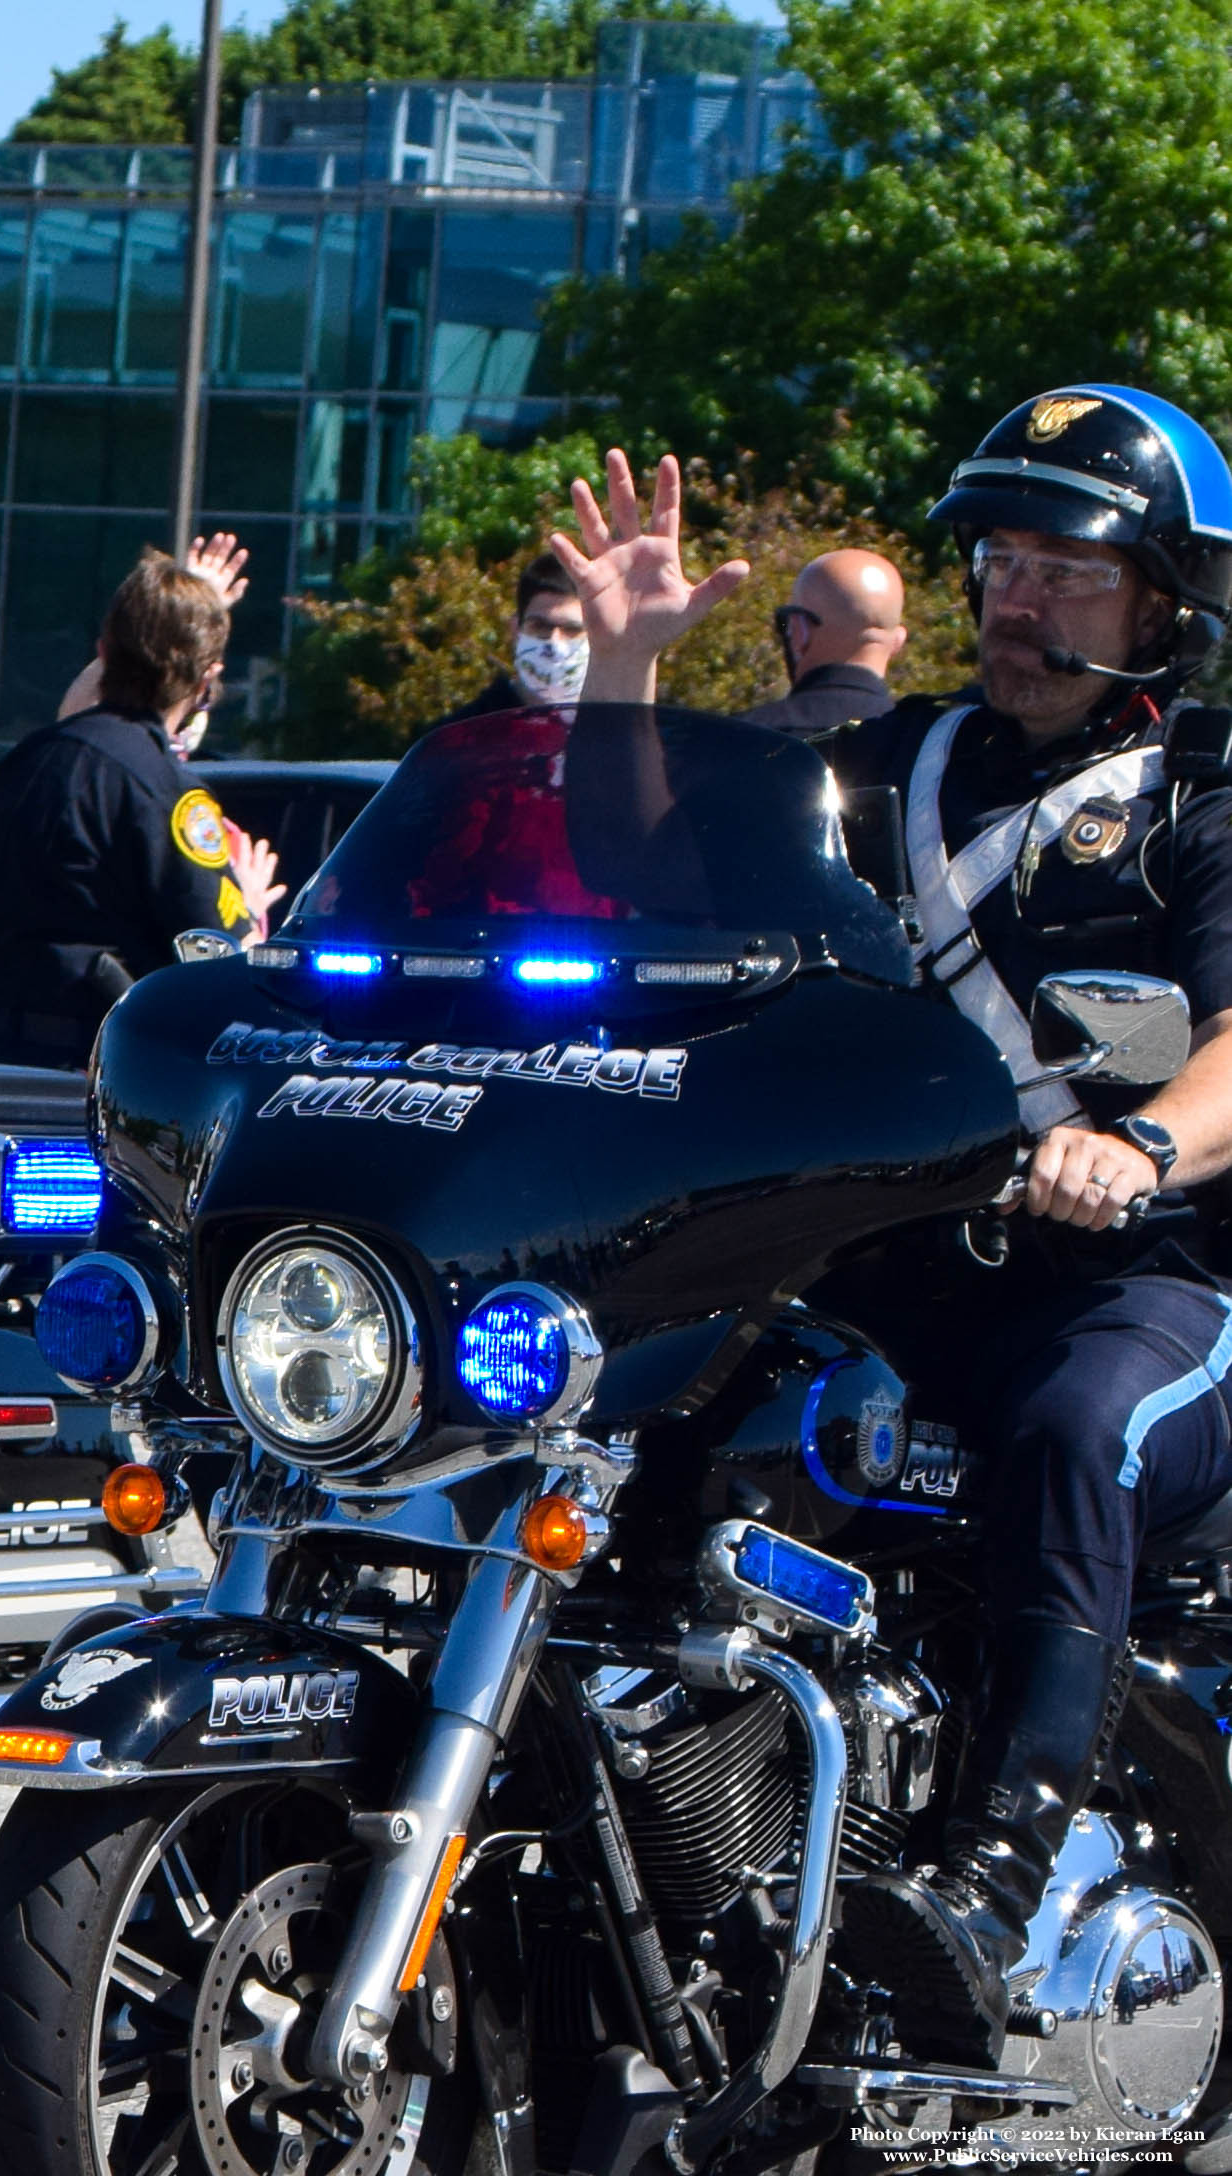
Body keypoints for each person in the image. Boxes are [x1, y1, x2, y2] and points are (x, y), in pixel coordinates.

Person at [560, 397, 1232, 2065]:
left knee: (1074, 1429)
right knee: (661, 1402)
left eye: (1065, 569)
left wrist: (1137, 1147)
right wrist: (625, 672)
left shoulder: (1200, 795)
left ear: (1160, 597)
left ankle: (995, 1874)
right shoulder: (887, 770)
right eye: (999, 561)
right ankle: (643, 1816)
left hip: (1139, 1282)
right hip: (895, 1264)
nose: (1015, 598)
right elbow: (656, 878)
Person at [0, 549, 279, 1070]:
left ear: (103, 653)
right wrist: (244, 903)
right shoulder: (167, 790)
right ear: (208, 679)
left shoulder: (22, 763)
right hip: (75, 1070)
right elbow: (214, 954)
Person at [735, 546, 908, 733]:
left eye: (785, 625)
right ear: (898, 641)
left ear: (799, 631)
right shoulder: (926, 742)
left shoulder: (741, 737)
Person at [438, 556, 591, 724]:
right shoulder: (464, 733)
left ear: (595, 636)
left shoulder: (612, 730)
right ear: (515, 629)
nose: (554, 642)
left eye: (572, 629)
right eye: (539, 626)